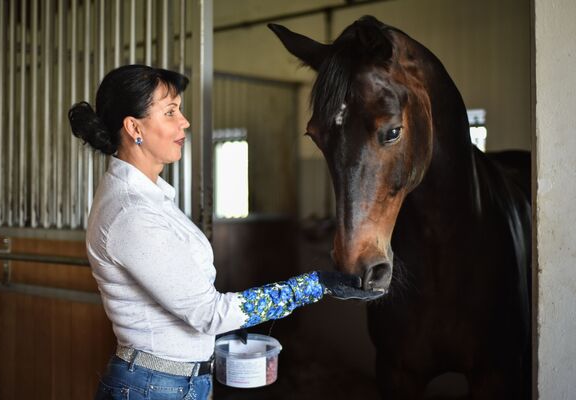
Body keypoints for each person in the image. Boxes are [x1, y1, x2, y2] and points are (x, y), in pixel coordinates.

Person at [68, 64, 382, 400]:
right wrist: (313, 286)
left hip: (173, 381)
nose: (184, 121)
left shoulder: (151, 195)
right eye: (171, 111)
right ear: (134, 127)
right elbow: (208, 314)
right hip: (153, 388)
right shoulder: (132, 213)